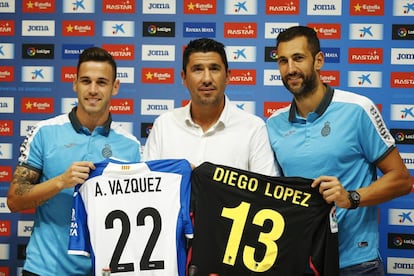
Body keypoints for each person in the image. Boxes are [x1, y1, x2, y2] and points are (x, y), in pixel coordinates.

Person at [266, 25, 411, 275]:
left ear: (319, 60)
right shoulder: (273, 124)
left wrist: (352, 198)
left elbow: (401, 180)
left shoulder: (357, 109)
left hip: (356, 264)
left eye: (298, 58)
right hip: (300, 263)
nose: (290, 69)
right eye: (282, 61)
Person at [7, 47, 141, 276]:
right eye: (86, 81)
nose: (92, 90)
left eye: (101, 82)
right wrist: (61, 181)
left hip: (104, 271)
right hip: (44, 269)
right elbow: (14, 200)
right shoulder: (44, 132)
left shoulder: (131, 146)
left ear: (115, 87)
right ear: (74, 84)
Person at [143, 38, 278, 176]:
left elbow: (263, 194)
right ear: (184, 78)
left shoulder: (253, 129)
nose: (207, 79)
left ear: (227, 76)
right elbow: (148, 186)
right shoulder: (164, 125)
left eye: (214, 69)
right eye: (198, 70)